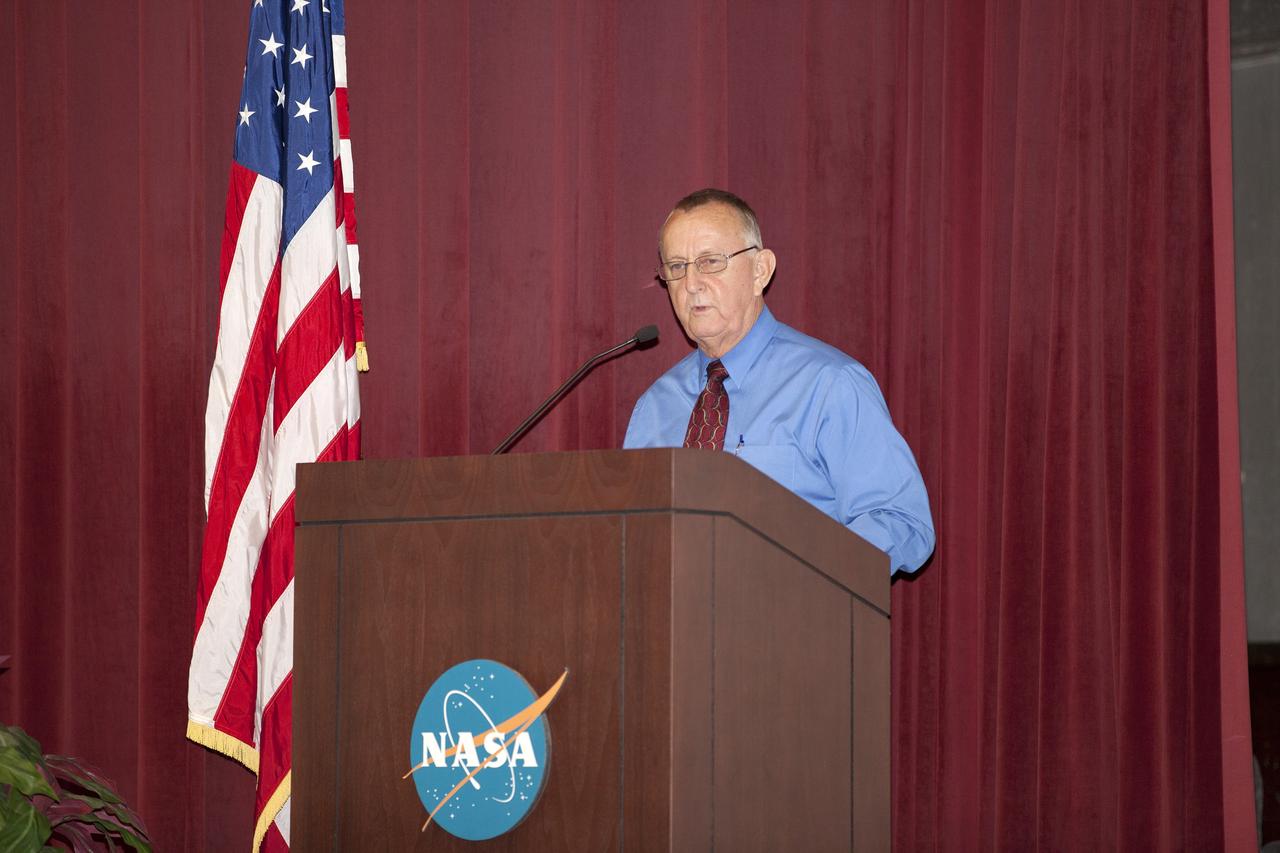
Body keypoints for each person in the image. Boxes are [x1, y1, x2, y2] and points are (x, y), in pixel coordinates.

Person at [624, 188, 935, 574]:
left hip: (791, 607)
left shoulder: (829, 386)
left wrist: (798, 570)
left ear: (761, 270)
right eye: (676, 266)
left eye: (710, 262)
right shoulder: (655, 407)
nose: (691, 283)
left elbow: (903, 523)